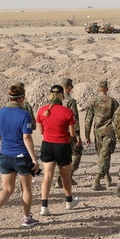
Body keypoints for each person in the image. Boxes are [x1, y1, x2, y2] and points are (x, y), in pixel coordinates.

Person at [0, 84, 41, 229]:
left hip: (5, 155)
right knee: (26, 188)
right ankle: (27, 218)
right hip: (21, 155)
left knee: (7, 189)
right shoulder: (24, 115)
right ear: (22, 98)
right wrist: (34, 159)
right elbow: (27, 137)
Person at [36, 84, 83, 216]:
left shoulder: (41, 110)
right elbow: (72, 134)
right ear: (62, 96)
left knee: (47, 177)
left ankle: (44, 206)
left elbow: (41, 131)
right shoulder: (67, 112)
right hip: (62, 145)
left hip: (47, 145)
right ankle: (69, 201)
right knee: (65, 176)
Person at [83, 80, 118, 190]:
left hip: (97, 133)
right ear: (107, 89)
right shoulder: (113, 101)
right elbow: (117, 119)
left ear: (98, 89)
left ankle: (107, 178)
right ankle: (97, 180)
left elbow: (88, 119)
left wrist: (87, 135)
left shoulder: (92, 101)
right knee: (105, 155)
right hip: (109, 131)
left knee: (102, 155)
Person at [60, 78, 83, 186]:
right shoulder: (70, 101)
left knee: (59, 154)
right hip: (69, 132)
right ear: (69, 87)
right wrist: (77, 135)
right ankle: (69, 175)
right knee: (76, 152)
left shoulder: (56, 100)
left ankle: (57, 179)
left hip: (57, 131)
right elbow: (74, 119)